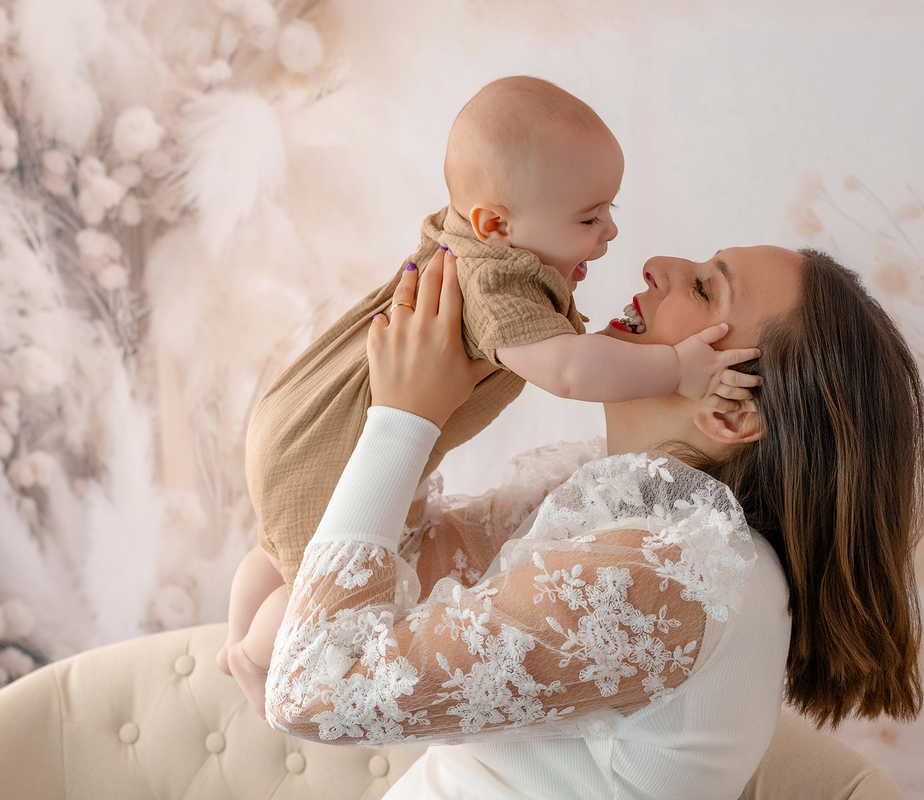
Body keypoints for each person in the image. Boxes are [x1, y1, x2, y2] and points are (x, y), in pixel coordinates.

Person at [263, 245, 924, 800]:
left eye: (702, 287)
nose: (656, 265)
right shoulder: (616, 507)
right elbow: (381, 571)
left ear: (730, 416)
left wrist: (404, 422)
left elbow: (311, 689)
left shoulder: (670, 573)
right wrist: (450, 379)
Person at [220, 76, 761, 712]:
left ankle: (234, 632)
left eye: (609, 210)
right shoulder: (497, 285)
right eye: (589, 218)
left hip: (296, 423)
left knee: (274, 547)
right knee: (309, 579)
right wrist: (676, 368)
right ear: (495, 223)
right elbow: (570, 371)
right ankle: (254, 655)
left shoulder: (475, 243)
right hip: (330, 451)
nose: (611, 234)